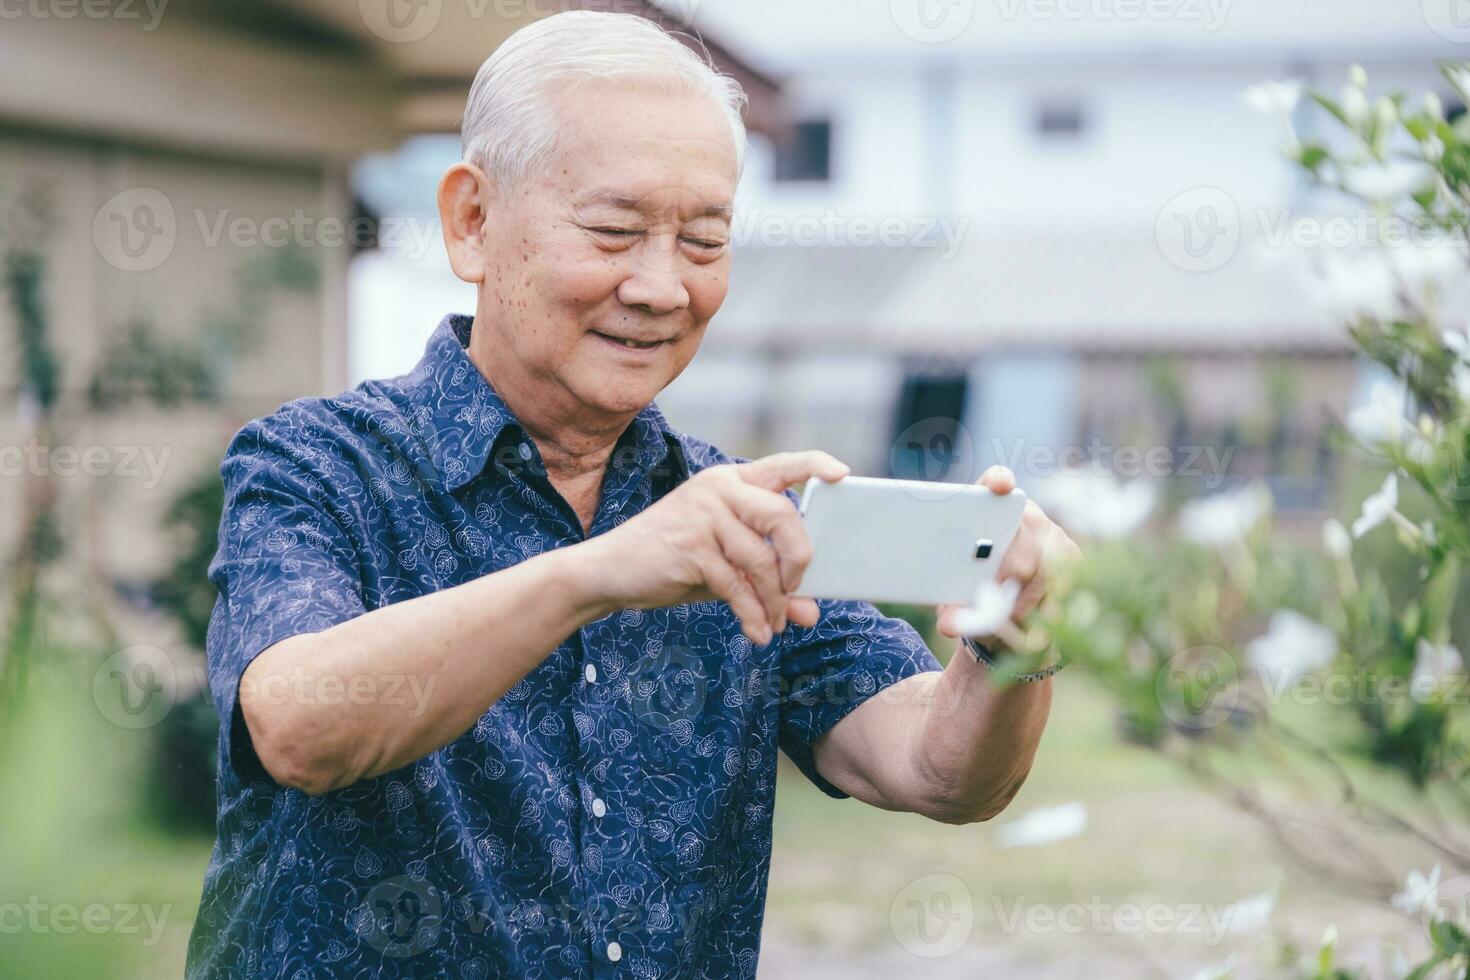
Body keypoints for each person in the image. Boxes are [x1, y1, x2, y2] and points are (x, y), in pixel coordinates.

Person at [184, 11, 1076, 978]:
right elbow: (300, 727)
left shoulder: (731, 513)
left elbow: (937, 769)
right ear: (472, 221)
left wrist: (1010, 642)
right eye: (613, 231)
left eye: (702, 240)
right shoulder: (315, 465)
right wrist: (600, 572)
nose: (660, 287)